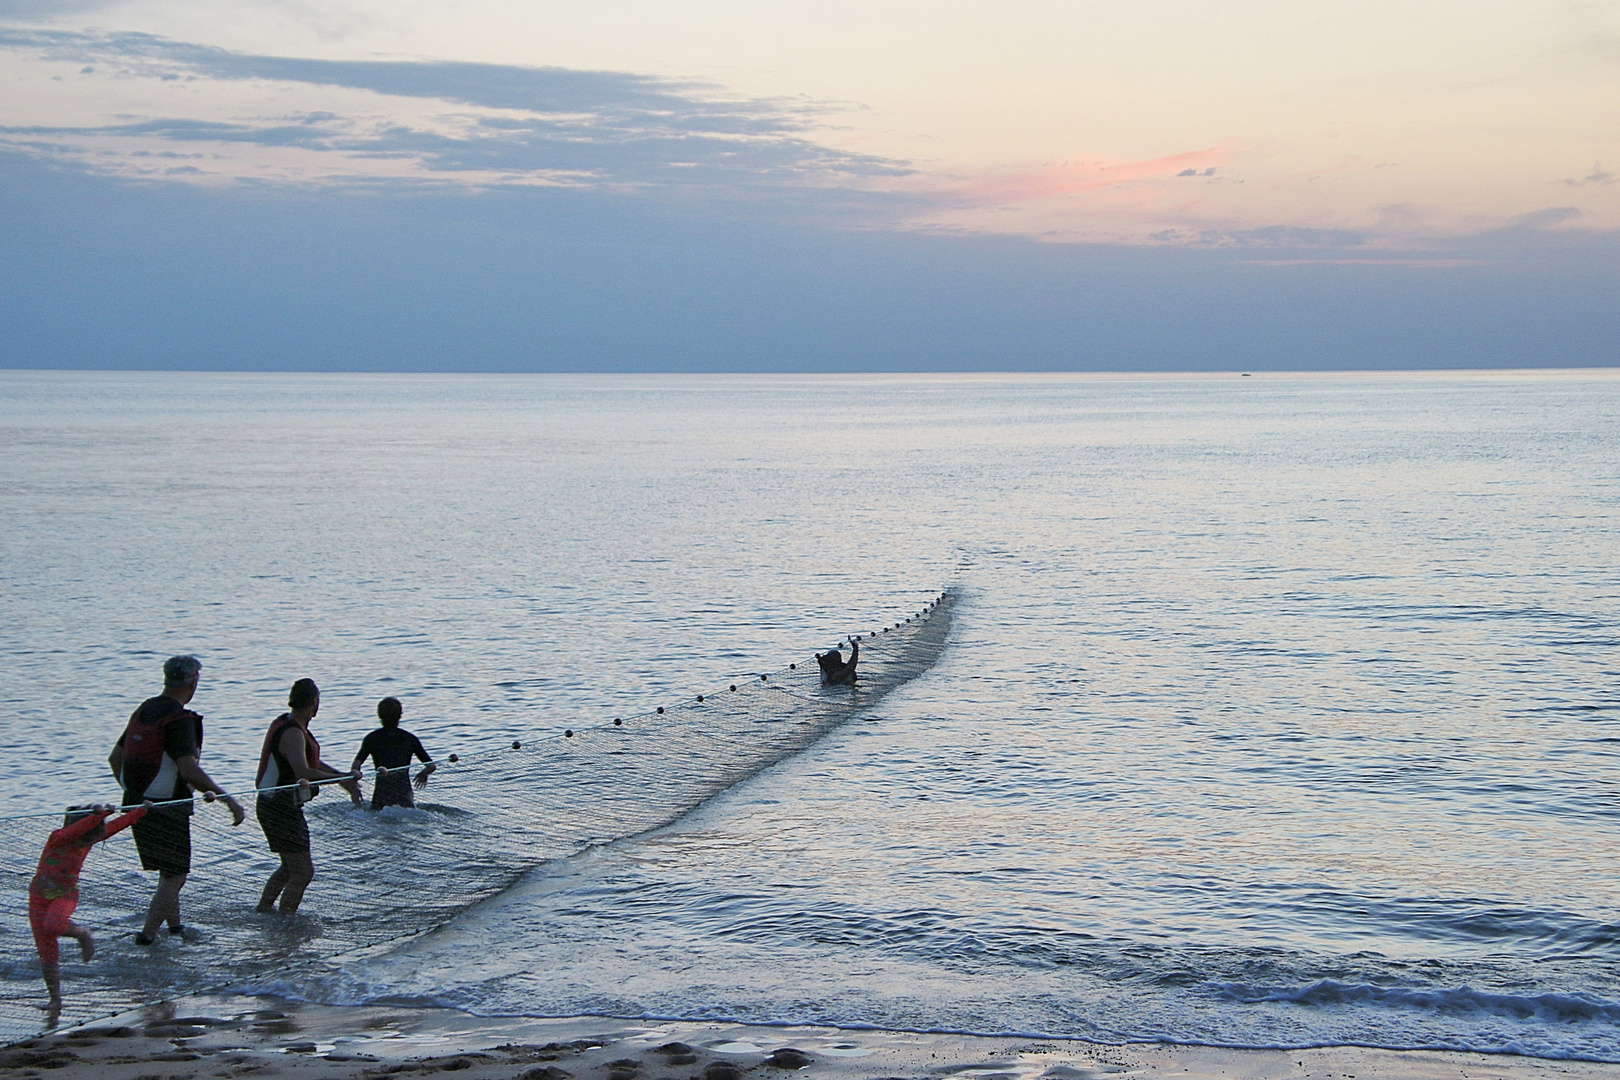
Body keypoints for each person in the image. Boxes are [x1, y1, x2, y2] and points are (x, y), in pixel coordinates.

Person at [108, 654, 245, 946]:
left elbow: (115, 757)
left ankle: (175, 928)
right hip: (167, 807)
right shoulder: (180, 719)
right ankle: (147, 936)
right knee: (176, 875)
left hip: (134, 804)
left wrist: (134, 791)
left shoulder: (145, 709)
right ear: (193, 681)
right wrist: (228, 800)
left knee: (169, 872)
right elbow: (188, 769)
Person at [30, 802, 149, 1022]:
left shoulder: (89, 837)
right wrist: (98, 815)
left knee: (54, 925)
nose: (89, 843)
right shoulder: (57, 838)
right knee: (46, 951)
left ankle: (83, 933)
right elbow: (76, 830)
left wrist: (140, 811)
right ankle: (55, 1000)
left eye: (92, 838)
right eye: (86, 837)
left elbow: (115, 826)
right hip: (38, 897)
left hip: (65, 894)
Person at [254, 678, 361, 915]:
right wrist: (341, 780)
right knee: (303, 871)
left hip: (277, 805)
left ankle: (264, 910)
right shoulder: (292, 733)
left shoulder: (291, 725)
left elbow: (310, 762)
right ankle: (286, 920)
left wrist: (342, 776)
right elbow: (303, 771)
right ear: (314, 701)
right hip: (278, 807)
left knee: (289, 867)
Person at [350, 697, 437, 810]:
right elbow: (431, 765)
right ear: (400, 715)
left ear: (379, 715)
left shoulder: (372, 738)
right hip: (404, 795)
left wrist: (355, 778)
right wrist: (423, 774)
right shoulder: (410, 739)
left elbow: (356, 766)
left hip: (381, 796)